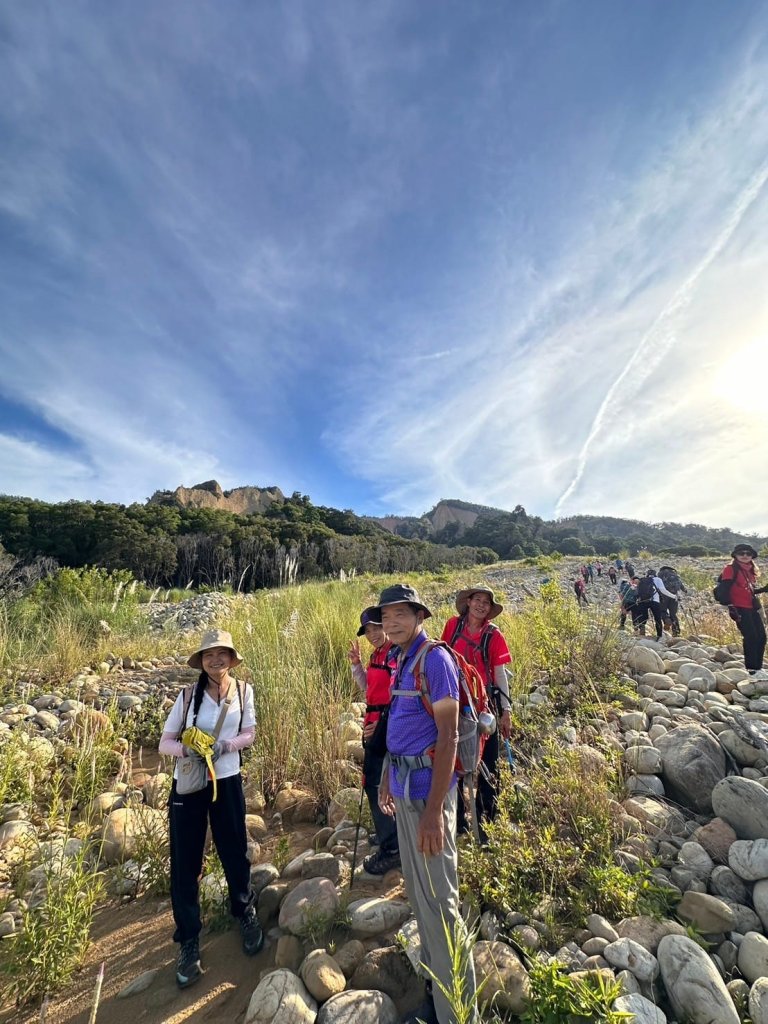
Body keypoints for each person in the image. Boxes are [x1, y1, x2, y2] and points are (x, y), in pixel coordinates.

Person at [376, 584, 476, 1024]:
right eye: (387, 615)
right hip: (403, 790)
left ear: (420, 616)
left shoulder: (435, 660)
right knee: (420, 901)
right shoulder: (399, 660)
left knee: (441, 905)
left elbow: (449, 736)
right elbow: (399, 728)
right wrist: (385, 777)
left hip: (428, 798)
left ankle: (460, 1013)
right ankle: (438, 1001)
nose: (393, 621)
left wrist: (436, 811)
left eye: (402, 613)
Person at [158, 629, 262, 989]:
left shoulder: (245, 691)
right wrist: (188, 751)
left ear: (232, 659)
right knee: (185, 861)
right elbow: (165, 742)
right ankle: (189, 939)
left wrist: (225, 745)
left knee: (235, 850)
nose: (215, 661)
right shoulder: (187, 696)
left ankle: (244, 911)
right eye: (208, 655)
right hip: (190, 785)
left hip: (228, 780)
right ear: (201, 661)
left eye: (222, 654)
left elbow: (250, 732)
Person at [441, 586, 512, 835]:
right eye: (478, 600)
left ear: (490, 609)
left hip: (484, 707)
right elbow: (443, 660)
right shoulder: (453, 626)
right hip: (454, 704)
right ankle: (457, 823)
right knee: (455, 762)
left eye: (486, 602)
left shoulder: (494, 635)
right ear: (468, 602)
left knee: (487, 764)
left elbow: (500, 675)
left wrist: (506, 711)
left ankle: (488, 824)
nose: (481, 605)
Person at [347, 607, 400, 874]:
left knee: (377, 782)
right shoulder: (377, 654)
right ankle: (387, 831)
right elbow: (369, 688)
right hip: (374, 722)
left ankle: (392, 848)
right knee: (376, 780)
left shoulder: (395, 655)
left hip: (385, 726)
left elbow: (399, 695)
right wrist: (357, 665)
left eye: (376, 628)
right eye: (368, 631)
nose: (372, 634)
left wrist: (380, 725)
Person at [719, 544, 768, 678]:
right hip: (739, 607)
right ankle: (752, 669)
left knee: (762, 636)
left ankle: (758, 668)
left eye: (748, 553)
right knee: (751, 636)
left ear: (752, 556)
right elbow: (724, 589)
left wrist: (763, 589)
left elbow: (747, 590)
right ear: (735, 555)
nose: (745, 555)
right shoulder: (730, 569)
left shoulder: (750, 570)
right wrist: (730, 606)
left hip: (751, 606)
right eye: (741, 553)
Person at [633, 570, 677, 641]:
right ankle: (659, 635)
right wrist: (674, 596)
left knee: (643, 617)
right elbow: (663, 590)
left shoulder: (642, 580)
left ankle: (642, 630)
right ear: (655, 574)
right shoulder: (658, 579)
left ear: (647, 574)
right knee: (657, 618)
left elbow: (636, 591)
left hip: (643, 601)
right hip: (654, 601)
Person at [657, 565, 688, 636]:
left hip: (664, 595)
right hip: (674, 596)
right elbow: (680, 584)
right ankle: (676, 631)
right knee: (673, 614)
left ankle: (666, 619)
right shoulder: (674, 574)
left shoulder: (660, 574)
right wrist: (685, 590)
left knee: (662, 610)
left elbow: (657, 584)